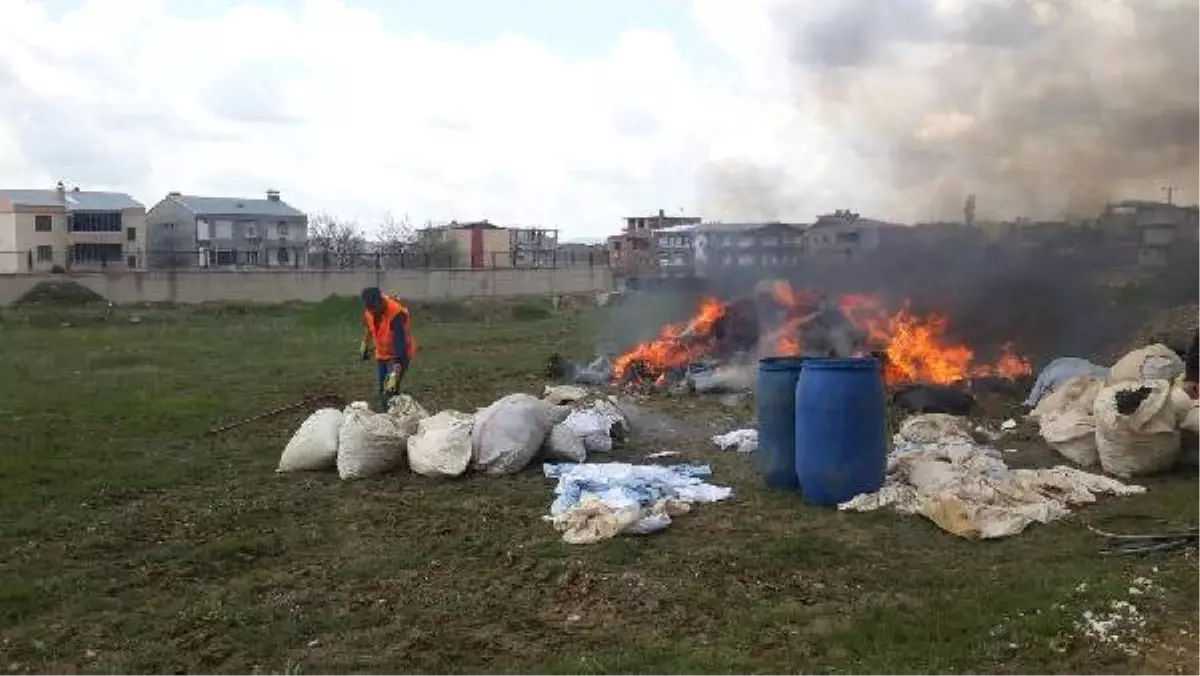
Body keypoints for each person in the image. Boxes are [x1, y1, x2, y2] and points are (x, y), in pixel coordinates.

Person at [359, 287, 416, 410]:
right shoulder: (370, 310)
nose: (372, 312)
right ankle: (387, 411)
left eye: (373, 308)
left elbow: (400, 342)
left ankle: (393, 417)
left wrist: (397, 366)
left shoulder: (396, 313)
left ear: (380, 302)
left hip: (398, 355)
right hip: (382, 354)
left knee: (390, 389)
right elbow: (369, 328)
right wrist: (365, 344)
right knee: (382, 387)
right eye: (369, 309)